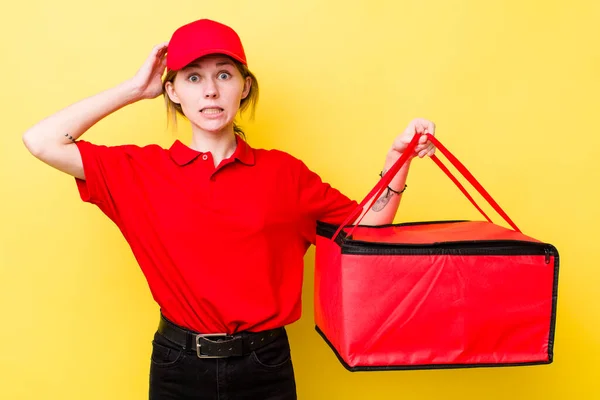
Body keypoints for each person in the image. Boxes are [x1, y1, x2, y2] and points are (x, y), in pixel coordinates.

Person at [22, 18, 435, 400]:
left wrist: (398, 158)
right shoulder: (139, 171)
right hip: (177, 364)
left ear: (244, 86)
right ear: (172, 90)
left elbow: (367, 227)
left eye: (224, 74)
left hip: (264, 364)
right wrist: (133, 89)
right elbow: (42, 141)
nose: (210, 91)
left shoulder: (283, 174)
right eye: (193, 77)